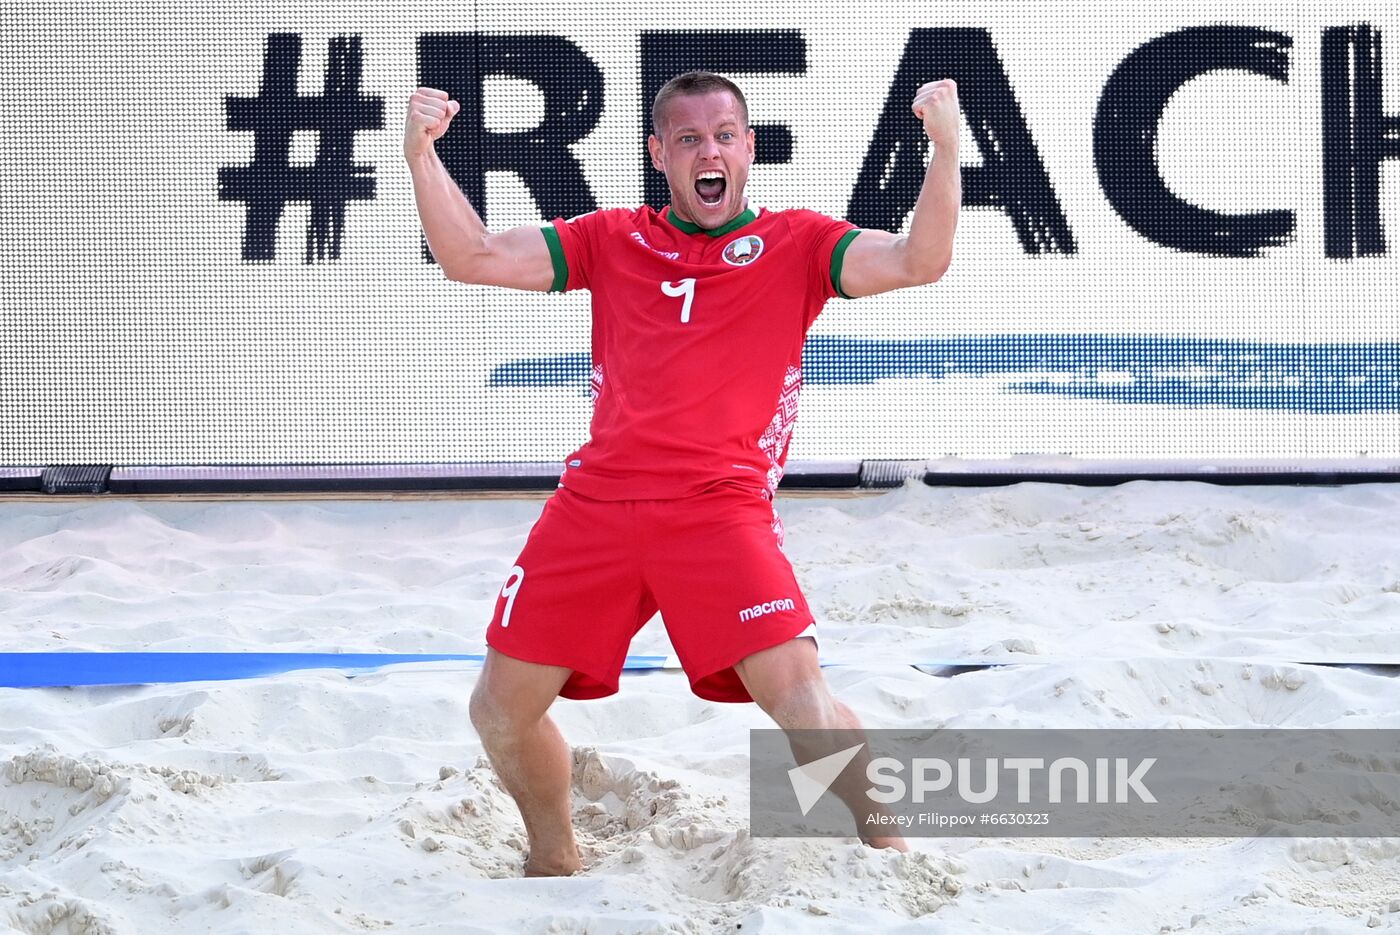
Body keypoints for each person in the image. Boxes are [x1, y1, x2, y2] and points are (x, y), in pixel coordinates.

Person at [404, 71, 961, 876]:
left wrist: (944, 150)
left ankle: (892, 848)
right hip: (595, 504)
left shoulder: (798, 243)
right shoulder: (610, 237)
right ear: (659, 153)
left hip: (718, 506)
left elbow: (919, 260)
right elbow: (470, 255)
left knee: (800, 704)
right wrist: (421, 153)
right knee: (499, 710)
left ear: (749, 149)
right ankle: (555, 860)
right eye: (691, 138)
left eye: (725, 135)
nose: (711, 151)